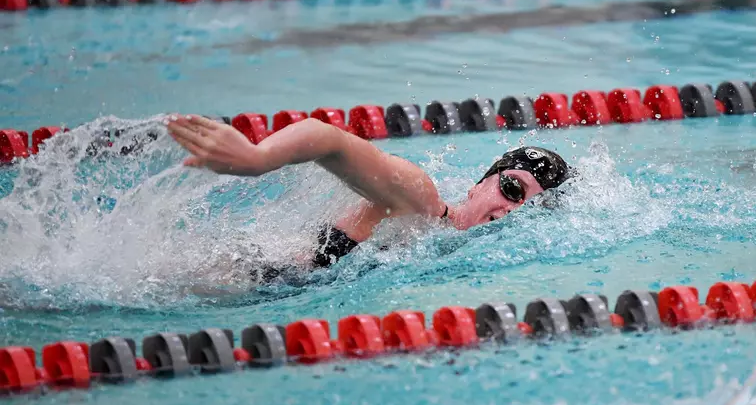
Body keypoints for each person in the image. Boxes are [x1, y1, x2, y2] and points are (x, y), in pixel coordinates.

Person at [166, 114, 573, 272]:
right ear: (484, 180)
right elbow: (329, 139)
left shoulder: (455, 252)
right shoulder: (421, 200)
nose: (510, 209)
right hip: (237, 274)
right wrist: (257, 158)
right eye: (512, 188)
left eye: (529, 207)